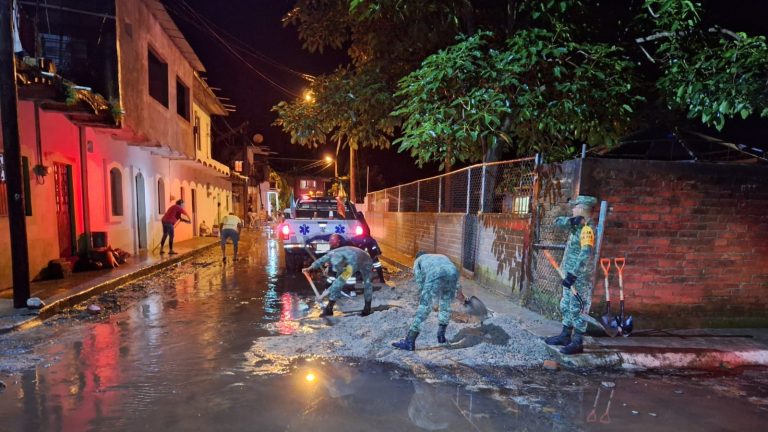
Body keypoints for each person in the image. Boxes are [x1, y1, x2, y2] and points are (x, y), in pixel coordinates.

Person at [544, 195, 598, 355]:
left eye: (575, 207)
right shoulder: (577, 226)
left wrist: (573, 274)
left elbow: (585, 254)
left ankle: (577, 341)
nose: (572, 209)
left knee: (577, 309)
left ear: (582, 209)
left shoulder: (588, 230)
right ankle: (565, 336)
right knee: (566, 305)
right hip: (568, 274)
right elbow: (557, 222)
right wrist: (571, 221)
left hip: (579, 278)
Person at [392, 252, 460, 351]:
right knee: (446, 304)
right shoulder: (439, 256)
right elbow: (456, 283)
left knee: (424, 307)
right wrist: (458, 291)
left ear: (417, 257)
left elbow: (420, 282)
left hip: (436, 273)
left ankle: (409, 341)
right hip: (453, 272)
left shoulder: (418, 261)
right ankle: (441, 337)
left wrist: (425, 296)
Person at [303, 246, 374, 317]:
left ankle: (367, 309)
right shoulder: (332, 253)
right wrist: (309, 268)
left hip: (365, 262)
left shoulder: (352, 264)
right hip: (350, 257)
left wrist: (322, 296)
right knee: (336, 283)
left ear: (344, 262)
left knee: (367, 283)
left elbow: (339, 282)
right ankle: (329, 309)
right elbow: (321, 260)